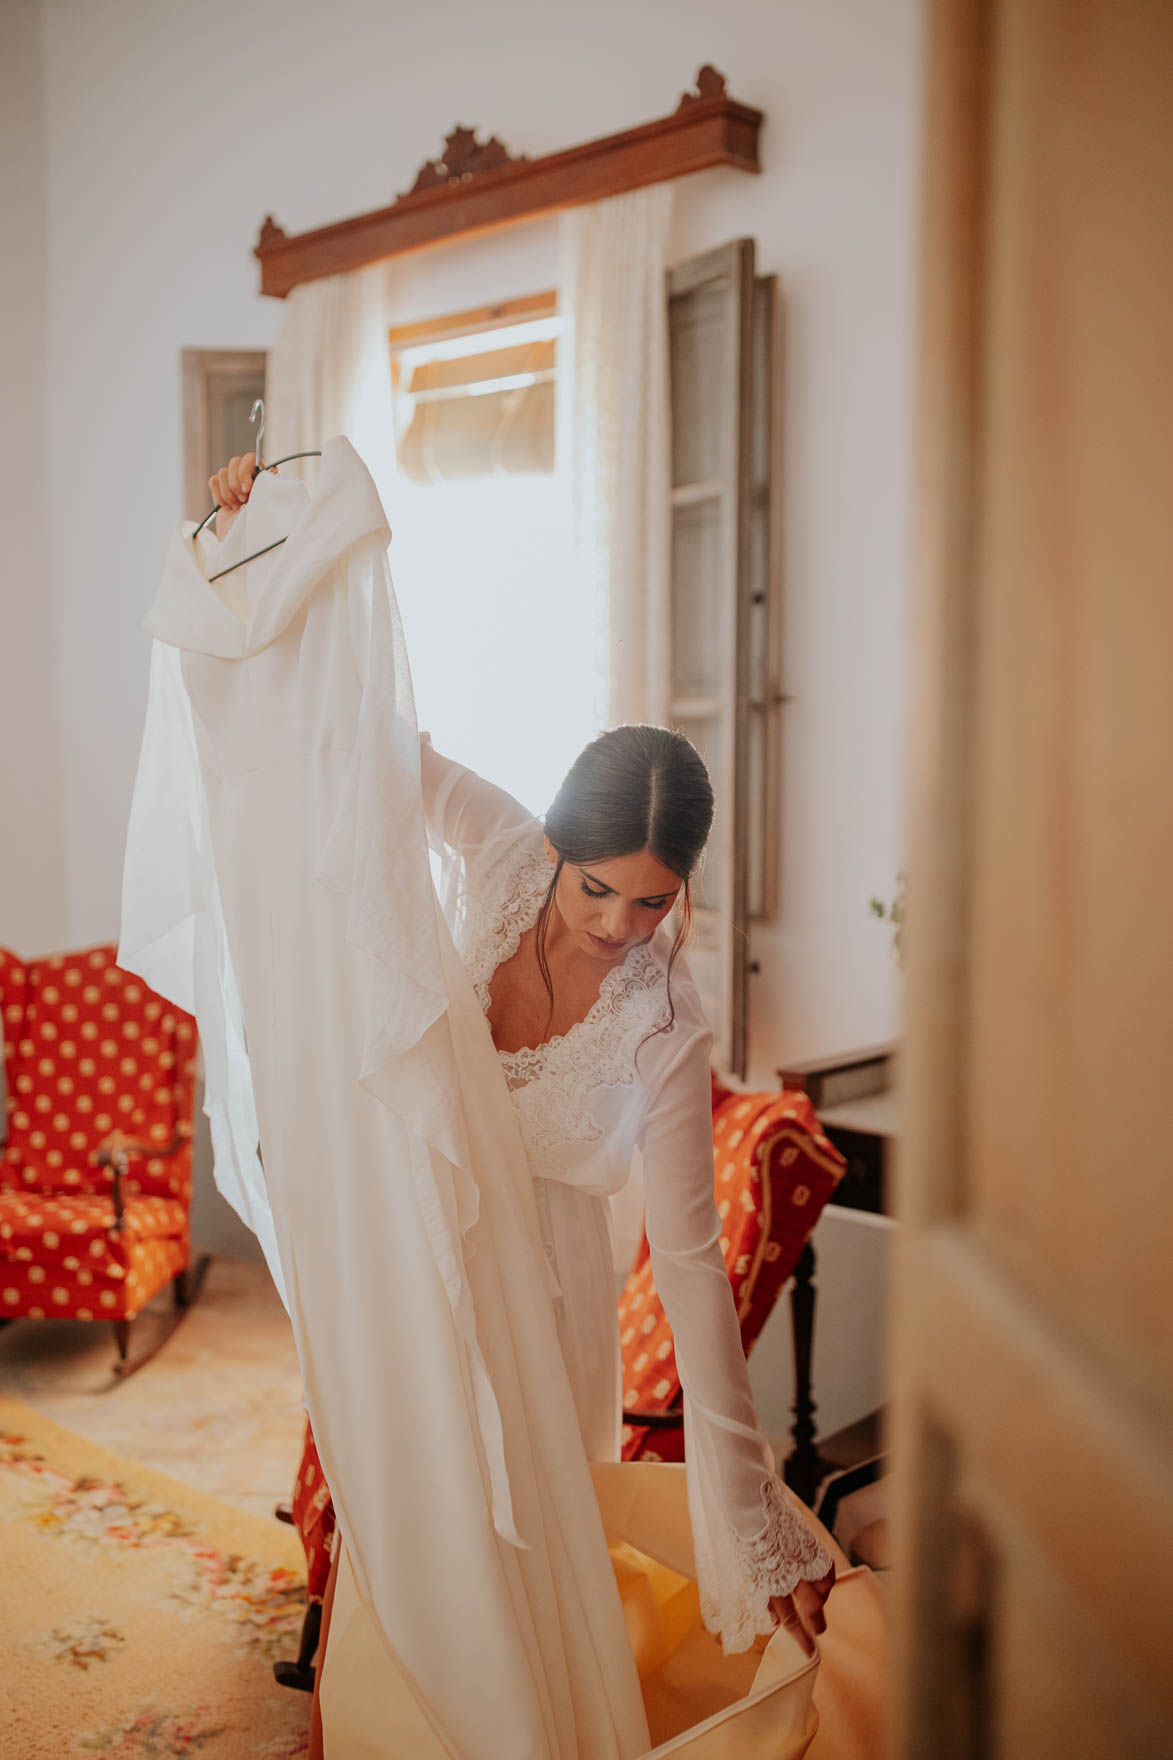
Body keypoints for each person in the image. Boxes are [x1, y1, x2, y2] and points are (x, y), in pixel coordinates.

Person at [210, 452, 836, 1661]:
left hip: (540, 1291)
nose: (617, 924)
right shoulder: (498, 844)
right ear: (555, 841)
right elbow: (367, 736)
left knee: (518, 1569)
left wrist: (756, 1510)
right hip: (418, 1219)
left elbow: (697, 1277)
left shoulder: (665, 1023)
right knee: (407, 1523)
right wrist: (267, 543)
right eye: (599, 886)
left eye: (653, 904)